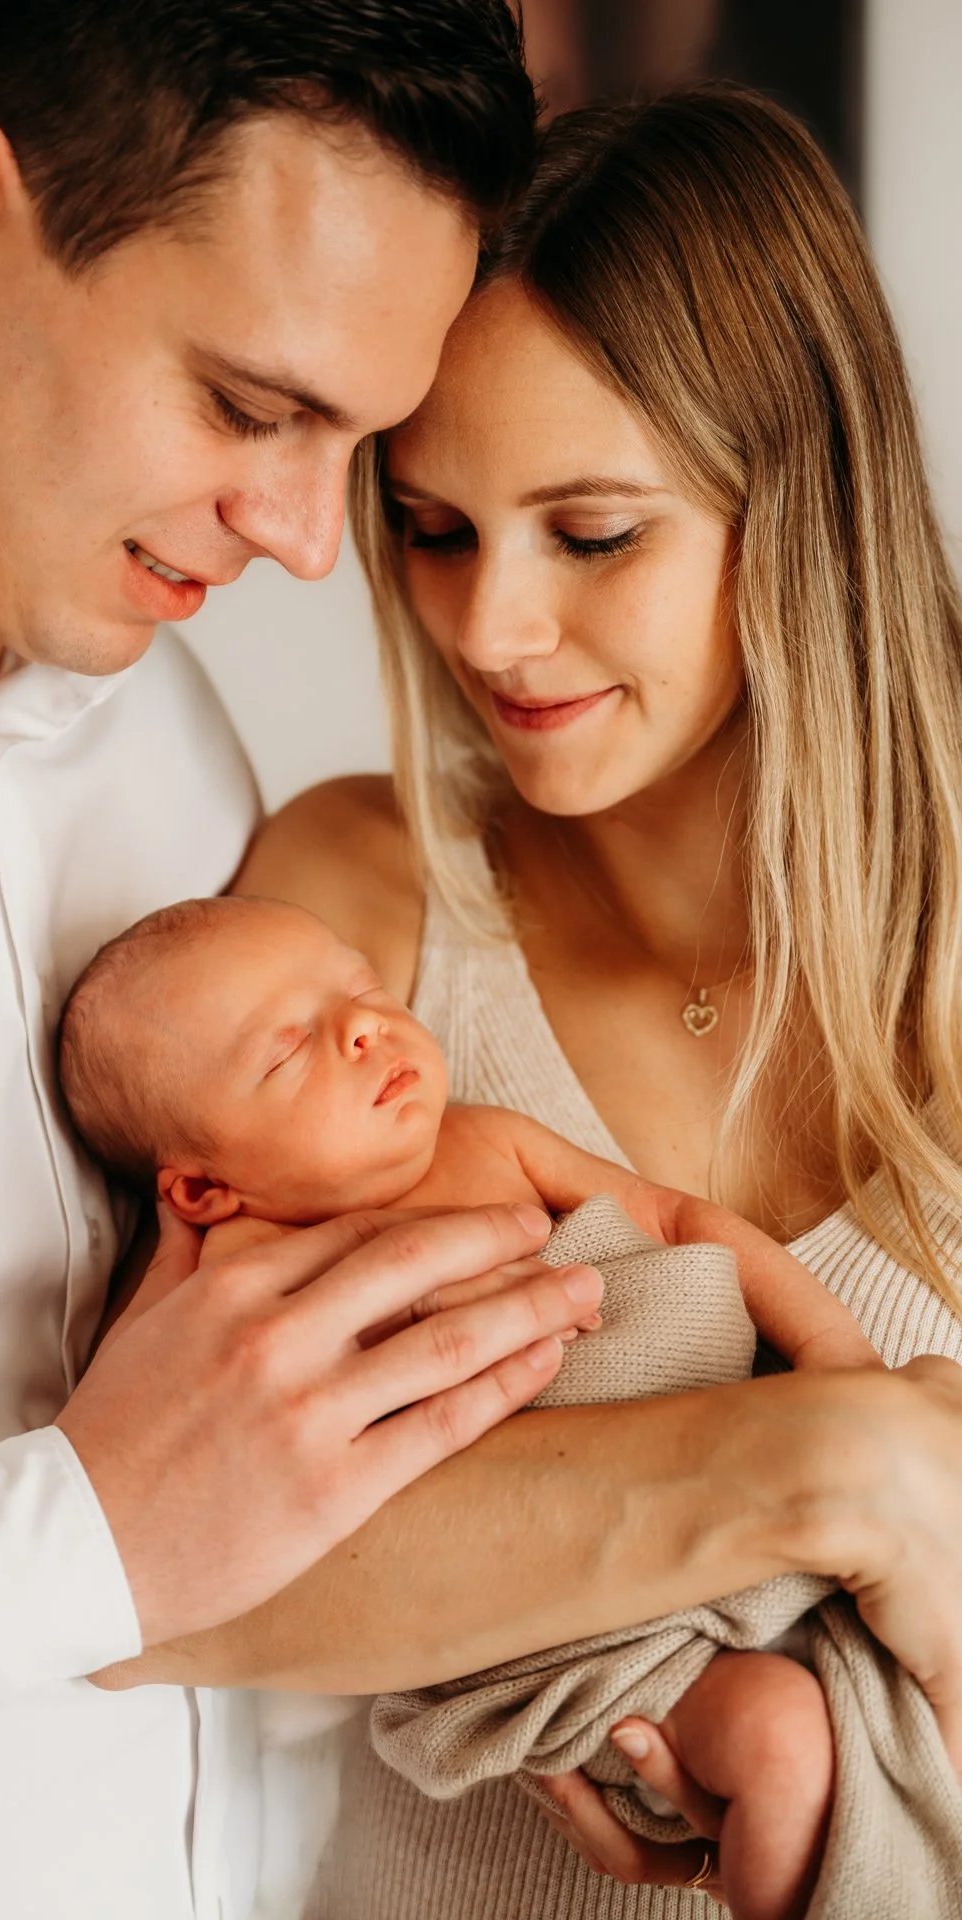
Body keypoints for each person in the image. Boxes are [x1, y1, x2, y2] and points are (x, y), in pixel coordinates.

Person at [0, 5, 595, 1917]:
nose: (306, 540)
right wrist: (77, 1541)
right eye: (252, 408)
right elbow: (151, 1515)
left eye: (354, 442)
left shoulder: (162, 729)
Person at [114, 84, 962, 1914]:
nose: (489, 629)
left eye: (591, 535)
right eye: (434, 528)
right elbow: (160, 1581)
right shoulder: (352, 920)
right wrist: (839, 1474)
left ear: (798, 514)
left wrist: (522, 1559)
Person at [59, 890, 880, 1920]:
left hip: (768, 1488)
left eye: (359, 987)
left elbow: (679, 1221)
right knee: (780, 1747)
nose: (362, 1026)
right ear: (201, 1191)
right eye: (288, 1050)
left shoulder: (486, 1139)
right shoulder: (243, 1289)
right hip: (598, 1632)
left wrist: (837, 1359)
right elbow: (173, 1478)